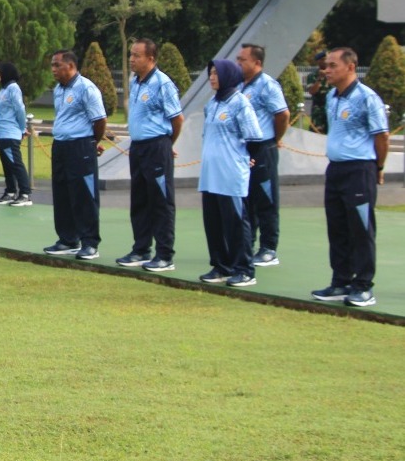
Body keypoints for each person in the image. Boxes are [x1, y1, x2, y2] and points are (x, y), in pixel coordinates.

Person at [311, 48, 389, 308]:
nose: (327, 70)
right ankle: (340, 281)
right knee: (338, 227)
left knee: (361, 228)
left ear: (351, 67)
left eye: (333, 65)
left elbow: (382, 136)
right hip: (336, 169)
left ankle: (363, 285)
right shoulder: (332, 96)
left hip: (359, 170)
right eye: (326, 66)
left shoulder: (367, 98)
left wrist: (378, 166)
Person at [115, 38, 185, 272]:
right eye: (131, 55)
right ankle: (141, 249)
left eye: (137, 56)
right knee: (140, 199)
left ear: (151, 59)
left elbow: (177, 119)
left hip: (157, 147)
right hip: (138, 148)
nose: (132, 60)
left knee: (161, 201)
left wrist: (165, 144)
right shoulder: (136, 81)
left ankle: (165, 255)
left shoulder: (162, 84)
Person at [198, 59, 263, 287]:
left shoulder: (240, 103)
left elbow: (254, 138)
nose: (212, 77)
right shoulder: (212, 104)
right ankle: (221, 265)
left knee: (235, 222)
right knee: (213, 222)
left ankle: (244, 269)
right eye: (210, 73)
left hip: (230, 173)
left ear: (228, 75)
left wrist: (247, 159)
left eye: (216, 73)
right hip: (210, 174)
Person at [43, 50, 107, 260]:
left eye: (57, 65)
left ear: (70, 66)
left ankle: (90, 243)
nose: (53, 70)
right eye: (52, 65)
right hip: (60, 146)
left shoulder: (86, 88)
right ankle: (68, 239)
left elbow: (99, 121)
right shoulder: (58, 90)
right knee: (62, 193)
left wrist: (90, 143)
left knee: (84, 195)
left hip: (80, 147)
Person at [237, 43, 290, 267]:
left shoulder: (267, 85)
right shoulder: (240, 85)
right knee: (245, 198)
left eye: (243, 60)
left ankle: (269, 248)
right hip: (243, 148)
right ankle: (246, 243)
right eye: (238, 59)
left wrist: (274, 139)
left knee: (266, 199)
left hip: (263, 147)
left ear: (257, 63)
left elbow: (282, 114)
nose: (238, 63)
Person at [0, 62, 32, 207]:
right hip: (2, 133)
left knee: (15, 164)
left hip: (10, 133)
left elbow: (20, 109)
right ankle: (11, 191)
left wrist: (22, 127)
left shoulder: (13, 88)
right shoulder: (3, 90)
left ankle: (25, 194)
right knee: (7, 164)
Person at [306, 51, 330, 133]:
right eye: (323, 59)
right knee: (317, 133)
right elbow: (312, 91)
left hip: (331, 109)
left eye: (327, 59)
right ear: (318, 61)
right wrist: (320, 78)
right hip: (318, 110)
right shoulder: (312, 76)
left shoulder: (333, 74)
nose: (326, 61)